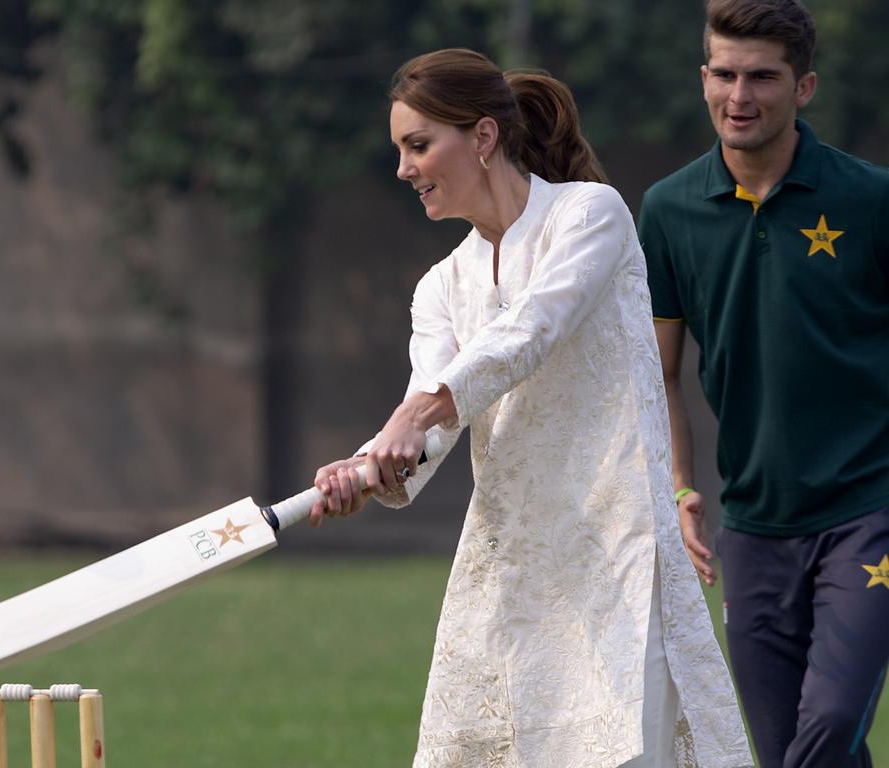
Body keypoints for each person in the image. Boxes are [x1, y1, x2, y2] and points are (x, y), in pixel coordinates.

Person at [309, 48, 751, 768]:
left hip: (620, 554)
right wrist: (372, 471)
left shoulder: (591, 215)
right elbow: (427, 420)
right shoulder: (440, 286)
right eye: (399, 150)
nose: (403, 168)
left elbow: (532, 331)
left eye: (418, 145)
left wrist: (410, 422)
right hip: (508, 566)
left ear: (482, 138)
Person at [638, 1, 889, 766]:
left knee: (830, 721)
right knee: (785, 750)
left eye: (762, 77)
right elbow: (661, 377)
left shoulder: (871, 200)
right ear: (703, 76)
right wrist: (681, 489)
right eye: (724, 73)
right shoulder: (668, 210)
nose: (739, 96)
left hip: (868, 513)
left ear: (803, 87)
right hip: (750, 528)